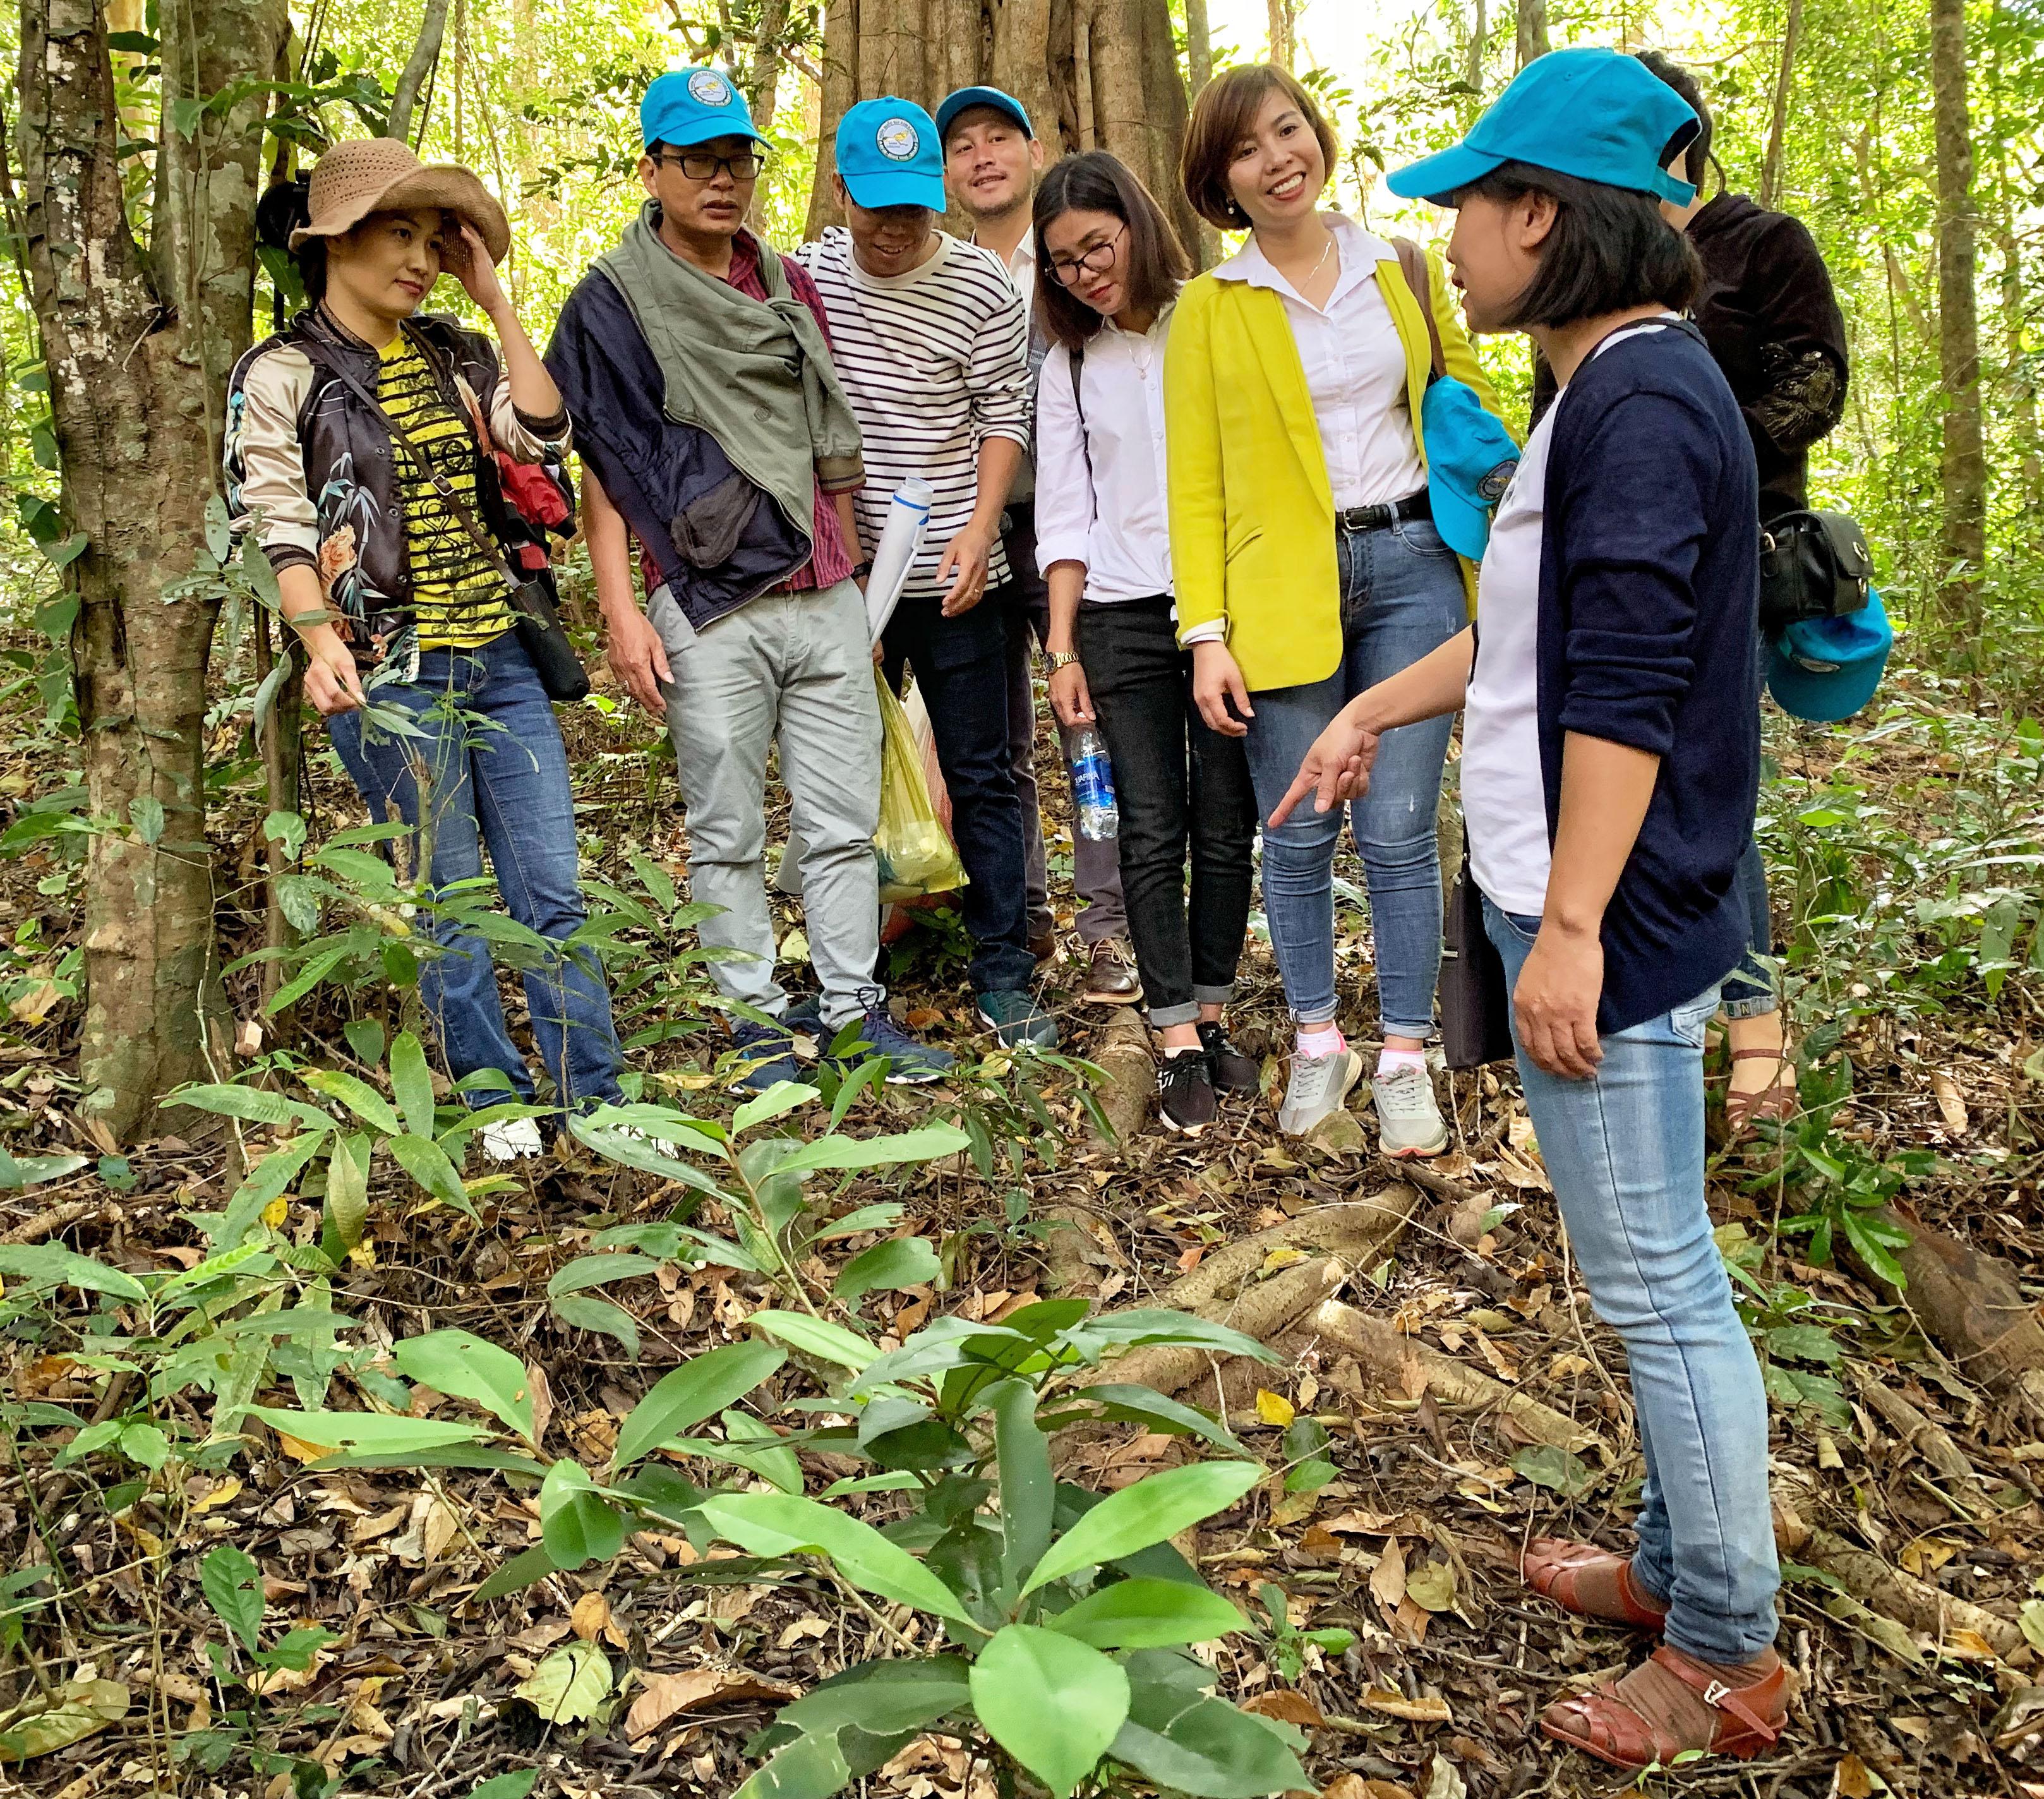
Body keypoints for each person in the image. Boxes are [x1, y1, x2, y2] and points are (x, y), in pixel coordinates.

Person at [1274, 48, 1786, 1767]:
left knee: (1654, 1281)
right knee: (1642, 1262)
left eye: (1467, 211)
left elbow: (1629, 686)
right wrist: (1365, 708)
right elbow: (1526, 640)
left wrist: (1566, 928)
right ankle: (1667, 1566)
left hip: (1613, 917)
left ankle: (1723, 1652)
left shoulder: (1639, 400)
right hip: (1580, 894)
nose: (1447, 243)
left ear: (1545, 219)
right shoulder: (1612, 388)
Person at [544, 69, 953, 1090]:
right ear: (653, 169)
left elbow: (827, 435)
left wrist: (859, 583)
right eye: (698, 161)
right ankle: (756, 1019)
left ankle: (854, 1008)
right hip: (709, 599)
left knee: (841, 821)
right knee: (723, 825)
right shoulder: (612, 303)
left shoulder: (780, 280)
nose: (722, 181)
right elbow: (607, 462)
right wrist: (622, 612)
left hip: (823, 590)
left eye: (737, 160)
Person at [225, 138, 627, 1158]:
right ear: (333, 244)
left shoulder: (457, 350)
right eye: (396, 234)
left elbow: (541, 439)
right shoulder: (281, 373)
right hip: (390, 670)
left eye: (431, 240)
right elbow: (274, 516)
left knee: (552, 887)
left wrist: (495, 301)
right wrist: (319, 640)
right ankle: (494, 1099)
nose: (419, 258)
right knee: (445, 895)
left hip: (498, 654)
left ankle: (599, 1096)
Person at [1165, 63, 1510, 1152]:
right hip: (1277, 593)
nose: (1279, 161)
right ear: (1222, 181)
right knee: (1299, 827)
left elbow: (1457, 410)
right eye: (1247, 151)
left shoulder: (1399, 266)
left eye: (1288, 132)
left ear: (1317, 134)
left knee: (1403, 828)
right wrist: (1204, 633)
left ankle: (1404, 1052)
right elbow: (1196, 483)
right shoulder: (1210, 308)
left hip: (1411, 562)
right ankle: (1320, 1040)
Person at [797, 98, 1056, 1049]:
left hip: (958, 571)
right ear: (841, 195)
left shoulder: (984, 288)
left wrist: (981, 527)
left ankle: (1002, 970)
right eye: (878, 211)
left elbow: (1004, 417)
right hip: (844, 578)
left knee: (983, 774)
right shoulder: (807, 277)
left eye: (914, 210)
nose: (899, 231)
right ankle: (847, 974)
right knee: (841, 776)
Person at [1030, 150, 1259, 1135]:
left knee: (1226, 818)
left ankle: (1215, 1010)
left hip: (1225, 608)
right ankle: (1171, 1037)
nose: (1088, 272)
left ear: (1136, 222)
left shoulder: (1209, 317)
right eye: (1065, 264)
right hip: (1122, 618)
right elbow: (1065, 515)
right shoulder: (1068, 363)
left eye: (1098, 246)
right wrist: (1063, 649)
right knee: (1150, 827)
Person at [1642, 48, 1848, 1133]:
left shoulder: (1763, 243)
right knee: (1641, 781)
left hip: (1742, 542)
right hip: (1630, 562)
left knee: (1717, 782)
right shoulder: (1611, 255)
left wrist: (1703, 451)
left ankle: (1757, 1030)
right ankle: (1669, 1012)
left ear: (1682, 144)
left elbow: (1818, 378)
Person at [937, 85, 1139, 1007]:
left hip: (1078, 532)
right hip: (980, 529)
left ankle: (1110, 927)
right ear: (943, 175)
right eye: (962, 147)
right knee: (992, 745)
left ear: (1034, 149)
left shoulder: (1078, 259)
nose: (982, 157)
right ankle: (1019, 918)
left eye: (998, 139)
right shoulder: (939, 269)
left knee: (1087, 727)